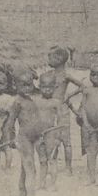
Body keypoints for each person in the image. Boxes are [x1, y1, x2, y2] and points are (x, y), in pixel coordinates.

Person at [5, 71, 64, 196]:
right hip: (24, 138)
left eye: (29, 85)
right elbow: (10, 122)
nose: (27, 88)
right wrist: (11, 138)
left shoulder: (32, 100)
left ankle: (25, 194)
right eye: (23, 85)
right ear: (16, 85)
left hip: (36, 138)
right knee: (29, 167)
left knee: (27, 168)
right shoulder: (17, 102)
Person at [39, 46, 84, 175]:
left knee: (66, 139)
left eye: (51, 57)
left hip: (62, 109)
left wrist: (68, 96)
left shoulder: (66, 76)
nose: (48, 59)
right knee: (52, 136)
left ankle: (68, 167)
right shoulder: (49, 75)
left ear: (59, 59)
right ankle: (53, 165)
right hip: (50, 109)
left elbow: (82, 86)